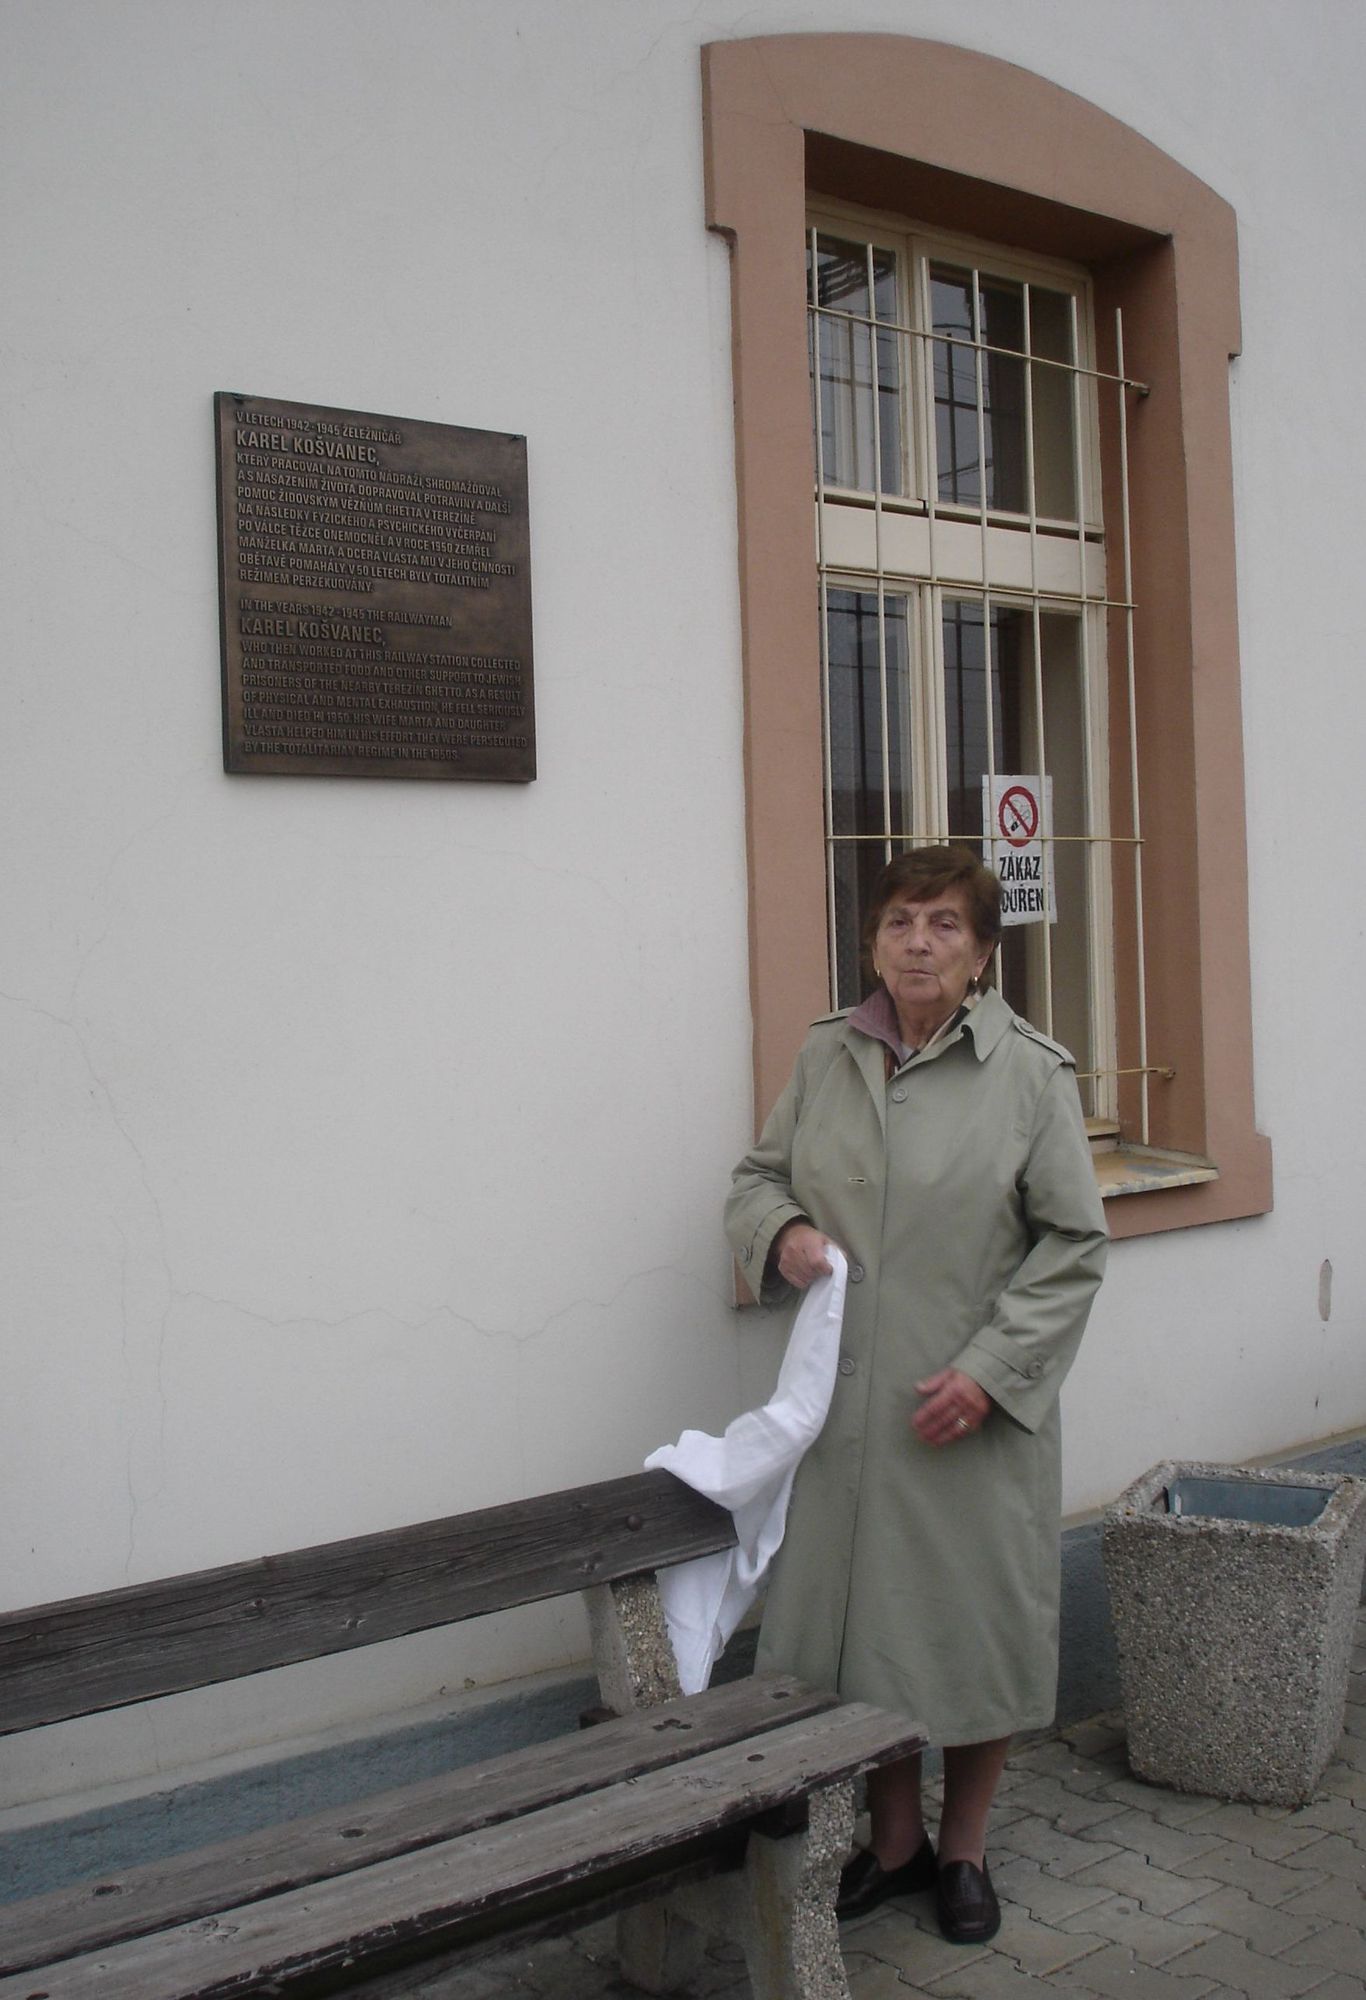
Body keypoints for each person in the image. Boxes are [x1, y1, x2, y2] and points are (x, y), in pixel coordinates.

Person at [725, 845, 1107, 1943]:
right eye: (900, 921)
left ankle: (964, 1847)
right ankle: (894, 1843)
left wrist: (990, 1372)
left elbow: (1073, 1245)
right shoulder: (828, 1053)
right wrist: (784, 1233)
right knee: (873, 1638)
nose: (920, 943)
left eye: (945, 924)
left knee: (974, 1632)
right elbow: (757, 1180)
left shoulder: (1030, 1075)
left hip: (967, 1413)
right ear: (873, 942)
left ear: (983, 953)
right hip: (851, 1418)